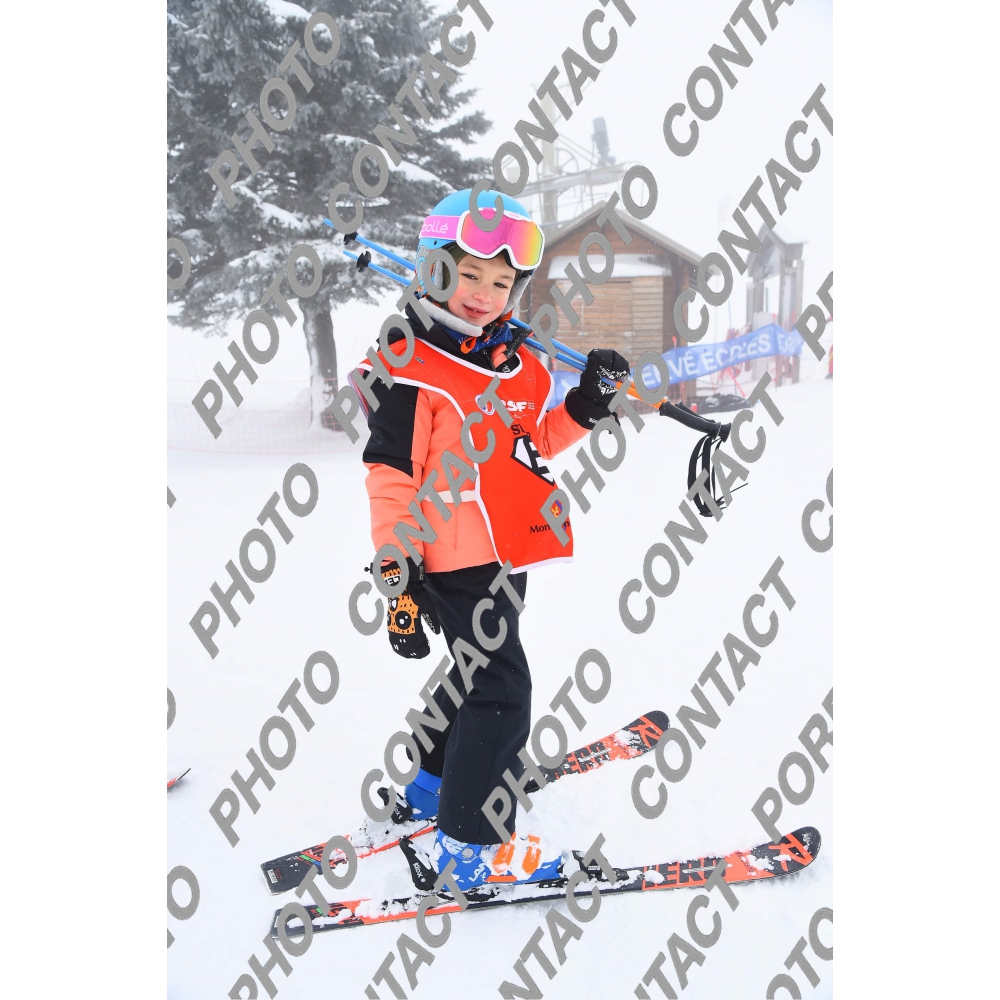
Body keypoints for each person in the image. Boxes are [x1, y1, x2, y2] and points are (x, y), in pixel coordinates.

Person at [357, 189, 629, 891]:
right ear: (434, 269)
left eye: (502, 282)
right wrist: (397, 565)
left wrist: (585, 405)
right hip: (448, 561)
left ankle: (429, 789)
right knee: (502, 691)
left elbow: (531, 447)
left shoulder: (515, 363)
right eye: (469, 274)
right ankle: (469, 847)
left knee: (471, 674)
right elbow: (389, 473)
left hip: (505, 553)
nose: (484, 294)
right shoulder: (409, 365)